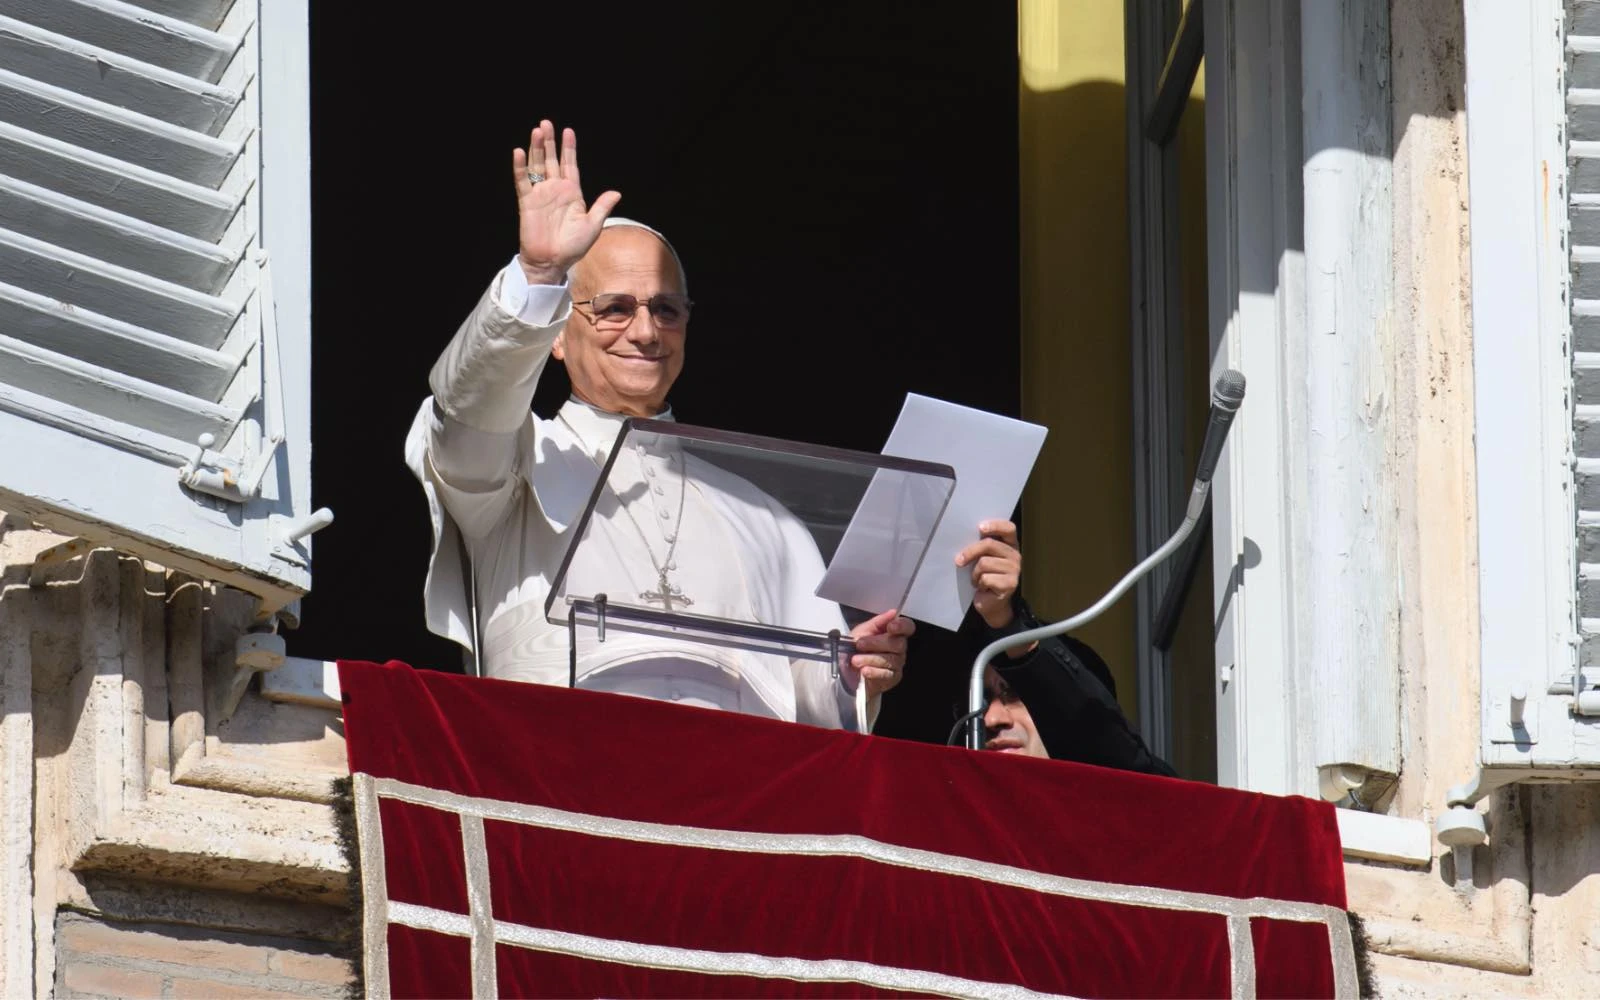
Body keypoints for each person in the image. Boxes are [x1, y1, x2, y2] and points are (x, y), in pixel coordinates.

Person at [405, 121, 912, 731]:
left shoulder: (763, 516)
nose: (646, 332)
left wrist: (855, 670)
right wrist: (538, 276)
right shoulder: (516, 466)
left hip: (730, 781)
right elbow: (467, 412)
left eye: (666, 310)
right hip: (561, 763)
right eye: (615, 308)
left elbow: (812, 706)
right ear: (558, 335)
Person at [957, 521, 1177, 776]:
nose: (992, 719)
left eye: (1016, 693)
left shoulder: (1132, 795)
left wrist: (1007, 622)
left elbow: (1117, 754)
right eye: (982, 701)